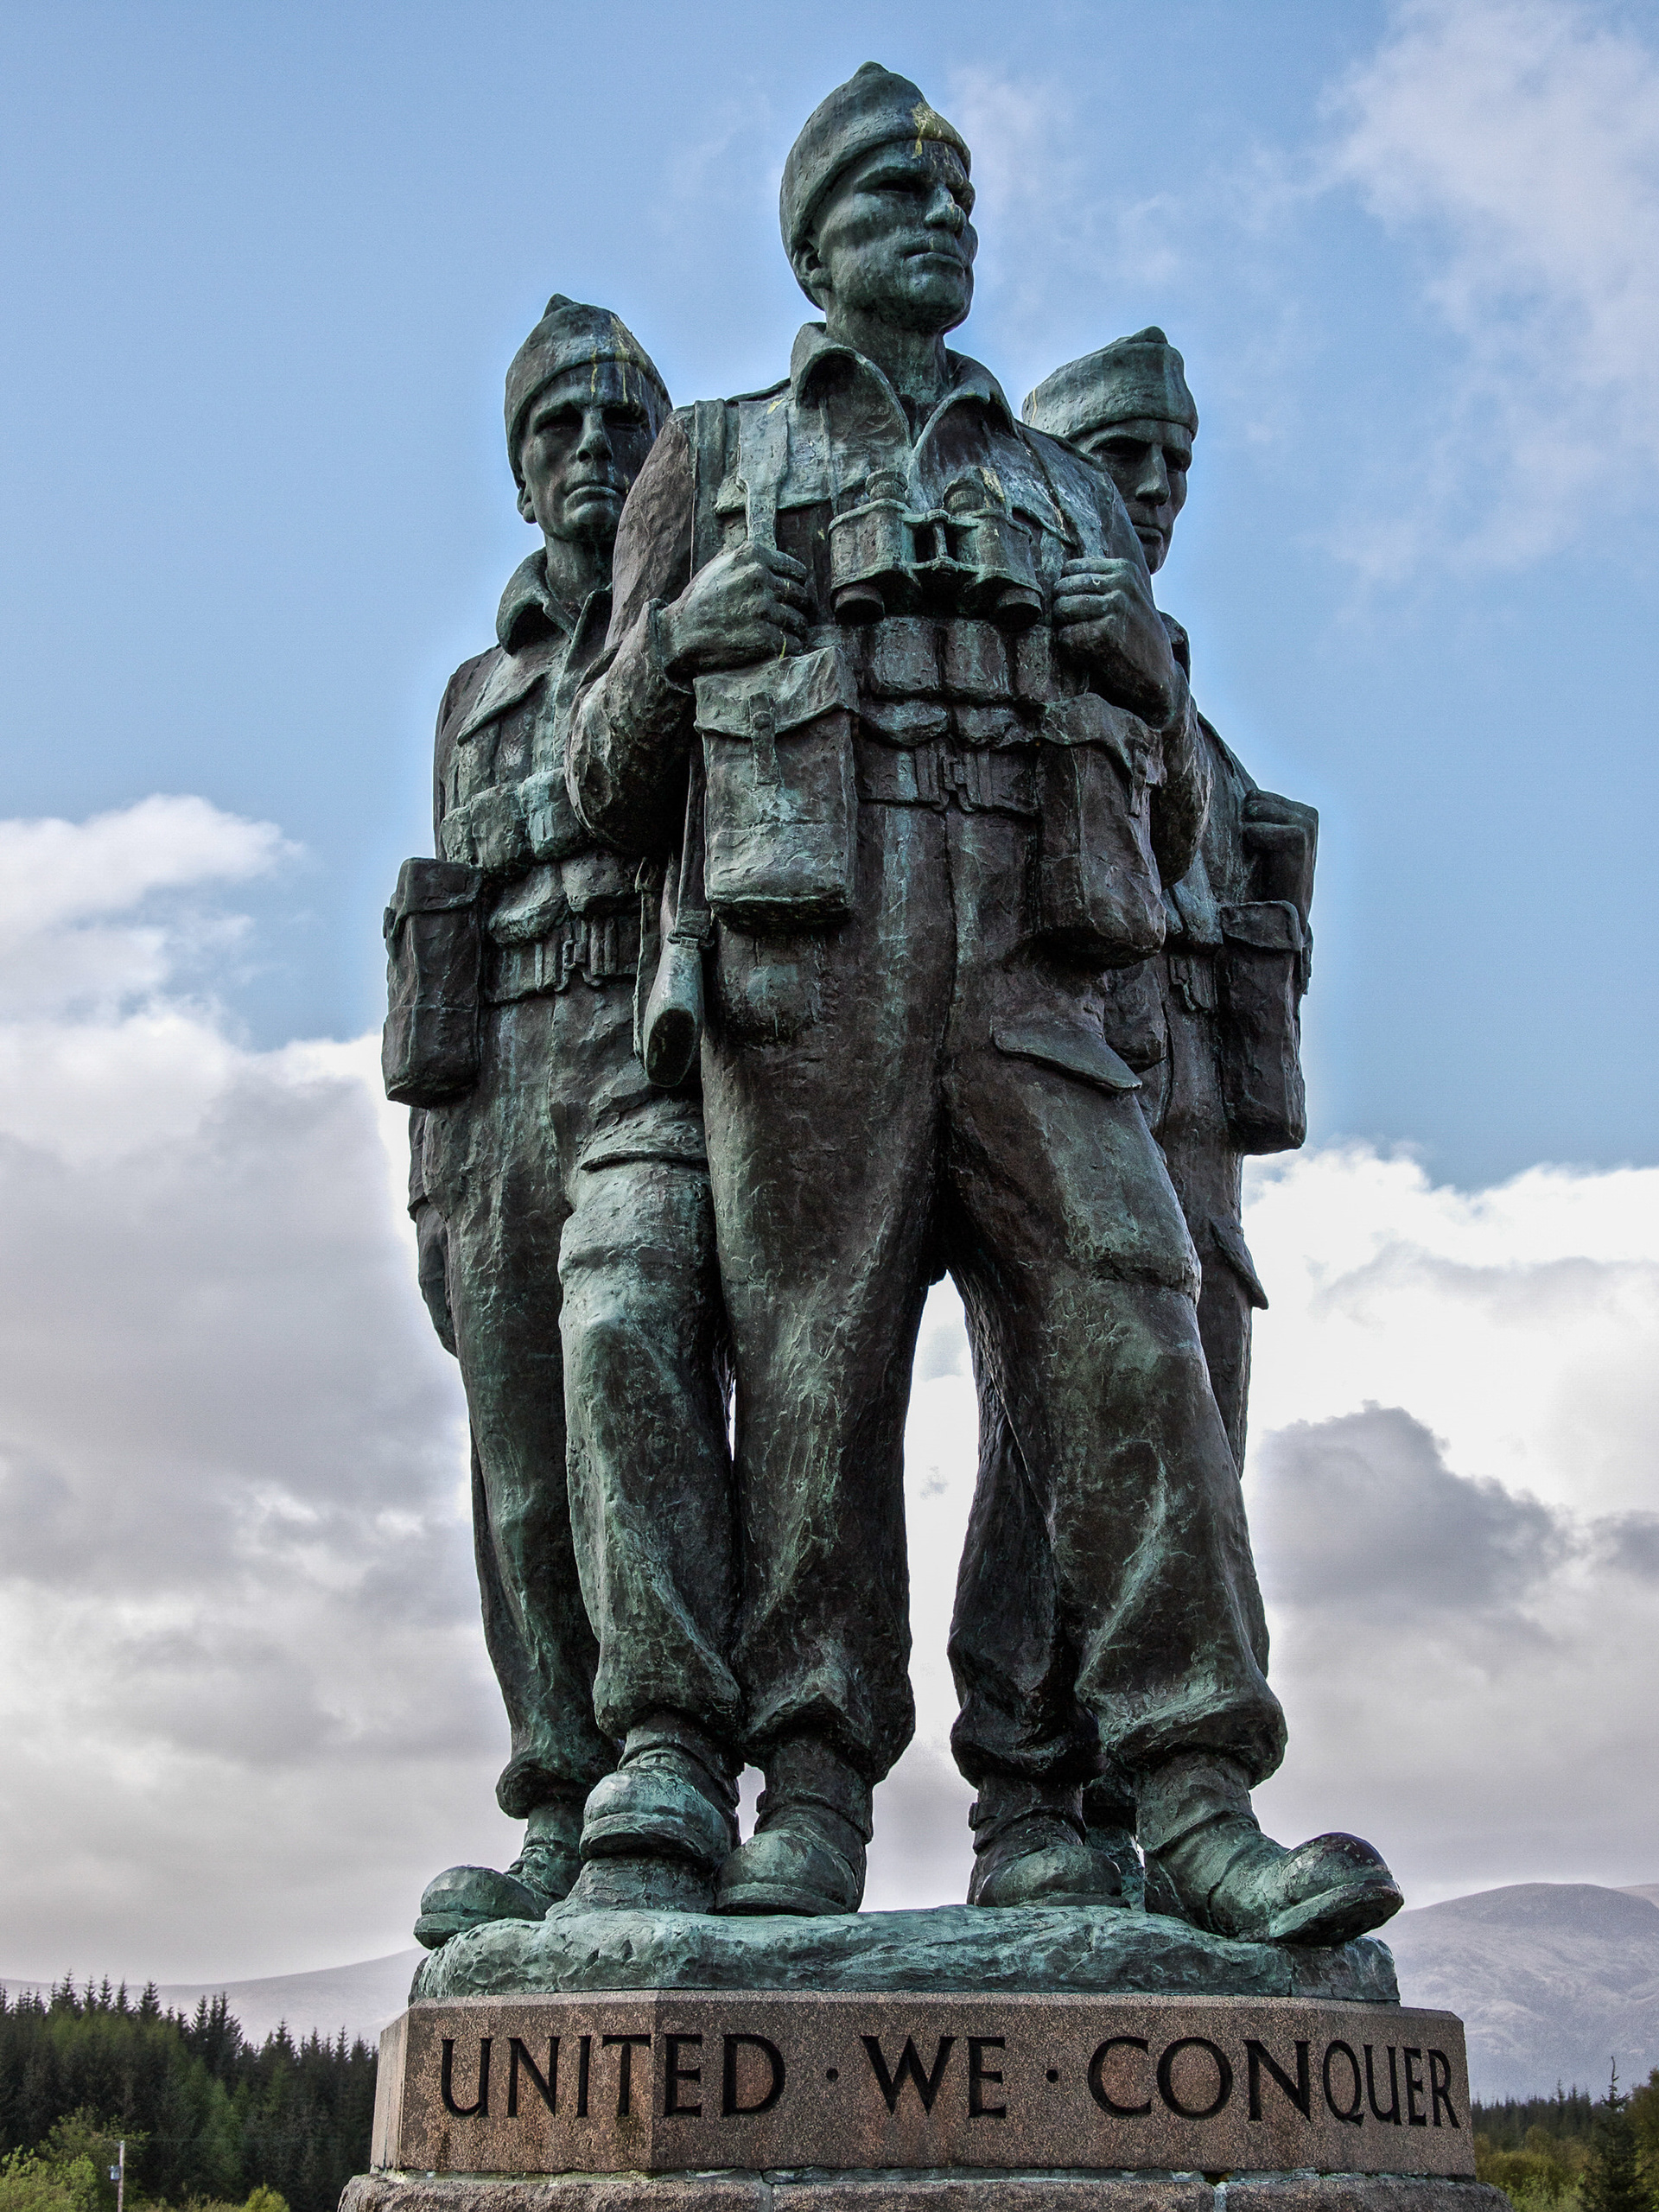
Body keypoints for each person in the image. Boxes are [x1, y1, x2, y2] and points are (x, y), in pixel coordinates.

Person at [569, 65, 1400, 1945]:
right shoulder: (706, 456)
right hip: (811, 978)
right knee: (813, 1381)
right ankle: (815, 1789)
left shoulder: (1063, 486)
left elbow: (1180, 812)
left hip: (1038, 981)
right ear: (814, 244)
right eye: (887, 195)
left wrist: (1138, 664)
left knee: (1129, 1325)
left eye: (954, 195)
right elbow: (599, 783)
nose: (935, 220)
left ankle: (1177, 1786)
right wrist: (687, 641)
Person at [949, 330, 1327, 1919]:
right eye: (1123, 456)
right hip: (1039, 1076)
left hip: (1193, 1144)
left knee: (1186, 1437)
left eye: (1178, 460)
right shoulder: (1005, 664)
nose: (1157, 488)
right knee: (1046, 1436)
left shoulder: (1184, 705)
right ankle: (1031, 1788)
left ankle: (1132, 1808)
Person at [388, 297, 742, 1942]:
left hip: (644, 1058)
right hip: (491, 1097)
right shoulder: (469, 691)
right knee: (521, 1474)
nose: (592, 453)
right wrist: (429, 1187)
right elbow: (439, 923)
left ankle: (672, 1756)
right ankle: (559, 1793)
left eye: (620, 425)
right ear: (520, 471)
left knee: (626, 1357)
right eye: (559, 430)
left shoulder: (698, 603)